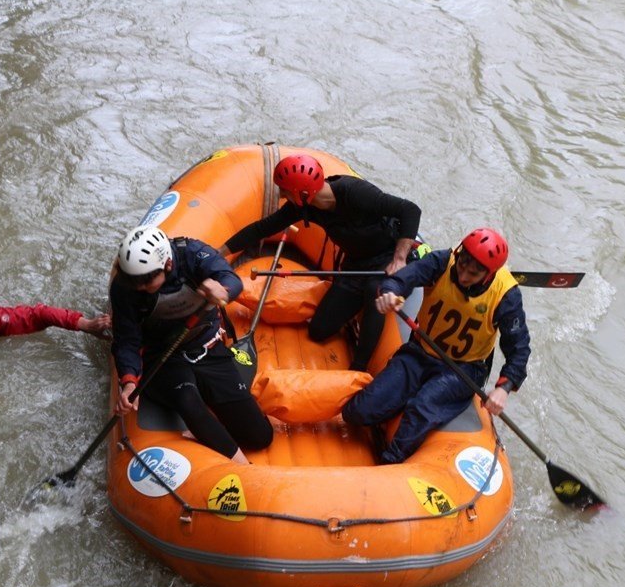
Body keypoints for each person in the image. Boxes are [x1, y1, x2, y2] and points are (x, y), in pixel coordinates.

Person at [216, 154, 421, 371]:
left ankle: (359, 366)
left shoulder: (355, 192)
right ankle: (355, 311)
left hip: (388, 258)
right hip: (357, 264)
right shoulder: (303, 206)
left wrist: (399, 259)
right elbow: (262, 228)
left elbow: (410, 210)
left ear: (302, 192)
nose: (282, 195)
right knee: (319, 330)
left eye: (284, 190)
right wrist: (220, 252)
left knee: (374, 289)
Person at [342, 228, 530, 465]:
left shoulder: (507, 297)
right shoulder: (442, 261)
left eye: (472, 274)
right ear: (459, 254)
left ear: (488, 275)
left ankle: (389, 462)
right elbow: (404, 278)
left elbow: (519, 349)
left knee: (423, 406)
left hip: (462, 370)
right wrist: (391, 292)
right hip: (420, 352)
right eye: (462, 266)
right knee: (356, 413)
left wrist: (504, 387)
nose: (462, 276)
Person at [110, 225, 273, 464]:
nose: (139, 287)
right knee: (187, 399)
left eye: (145, 280)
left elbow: (230, 279)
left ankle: (208, 427)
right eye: (133, 280)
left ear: (166, 264)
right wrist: (128, 381)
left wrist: (223, 290)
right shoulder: (125, 288)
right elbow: (126, 340)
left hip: (206, 347)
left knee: (260, 436)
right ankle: (244, 468)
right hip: (162, 357)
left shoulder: (193, 254)